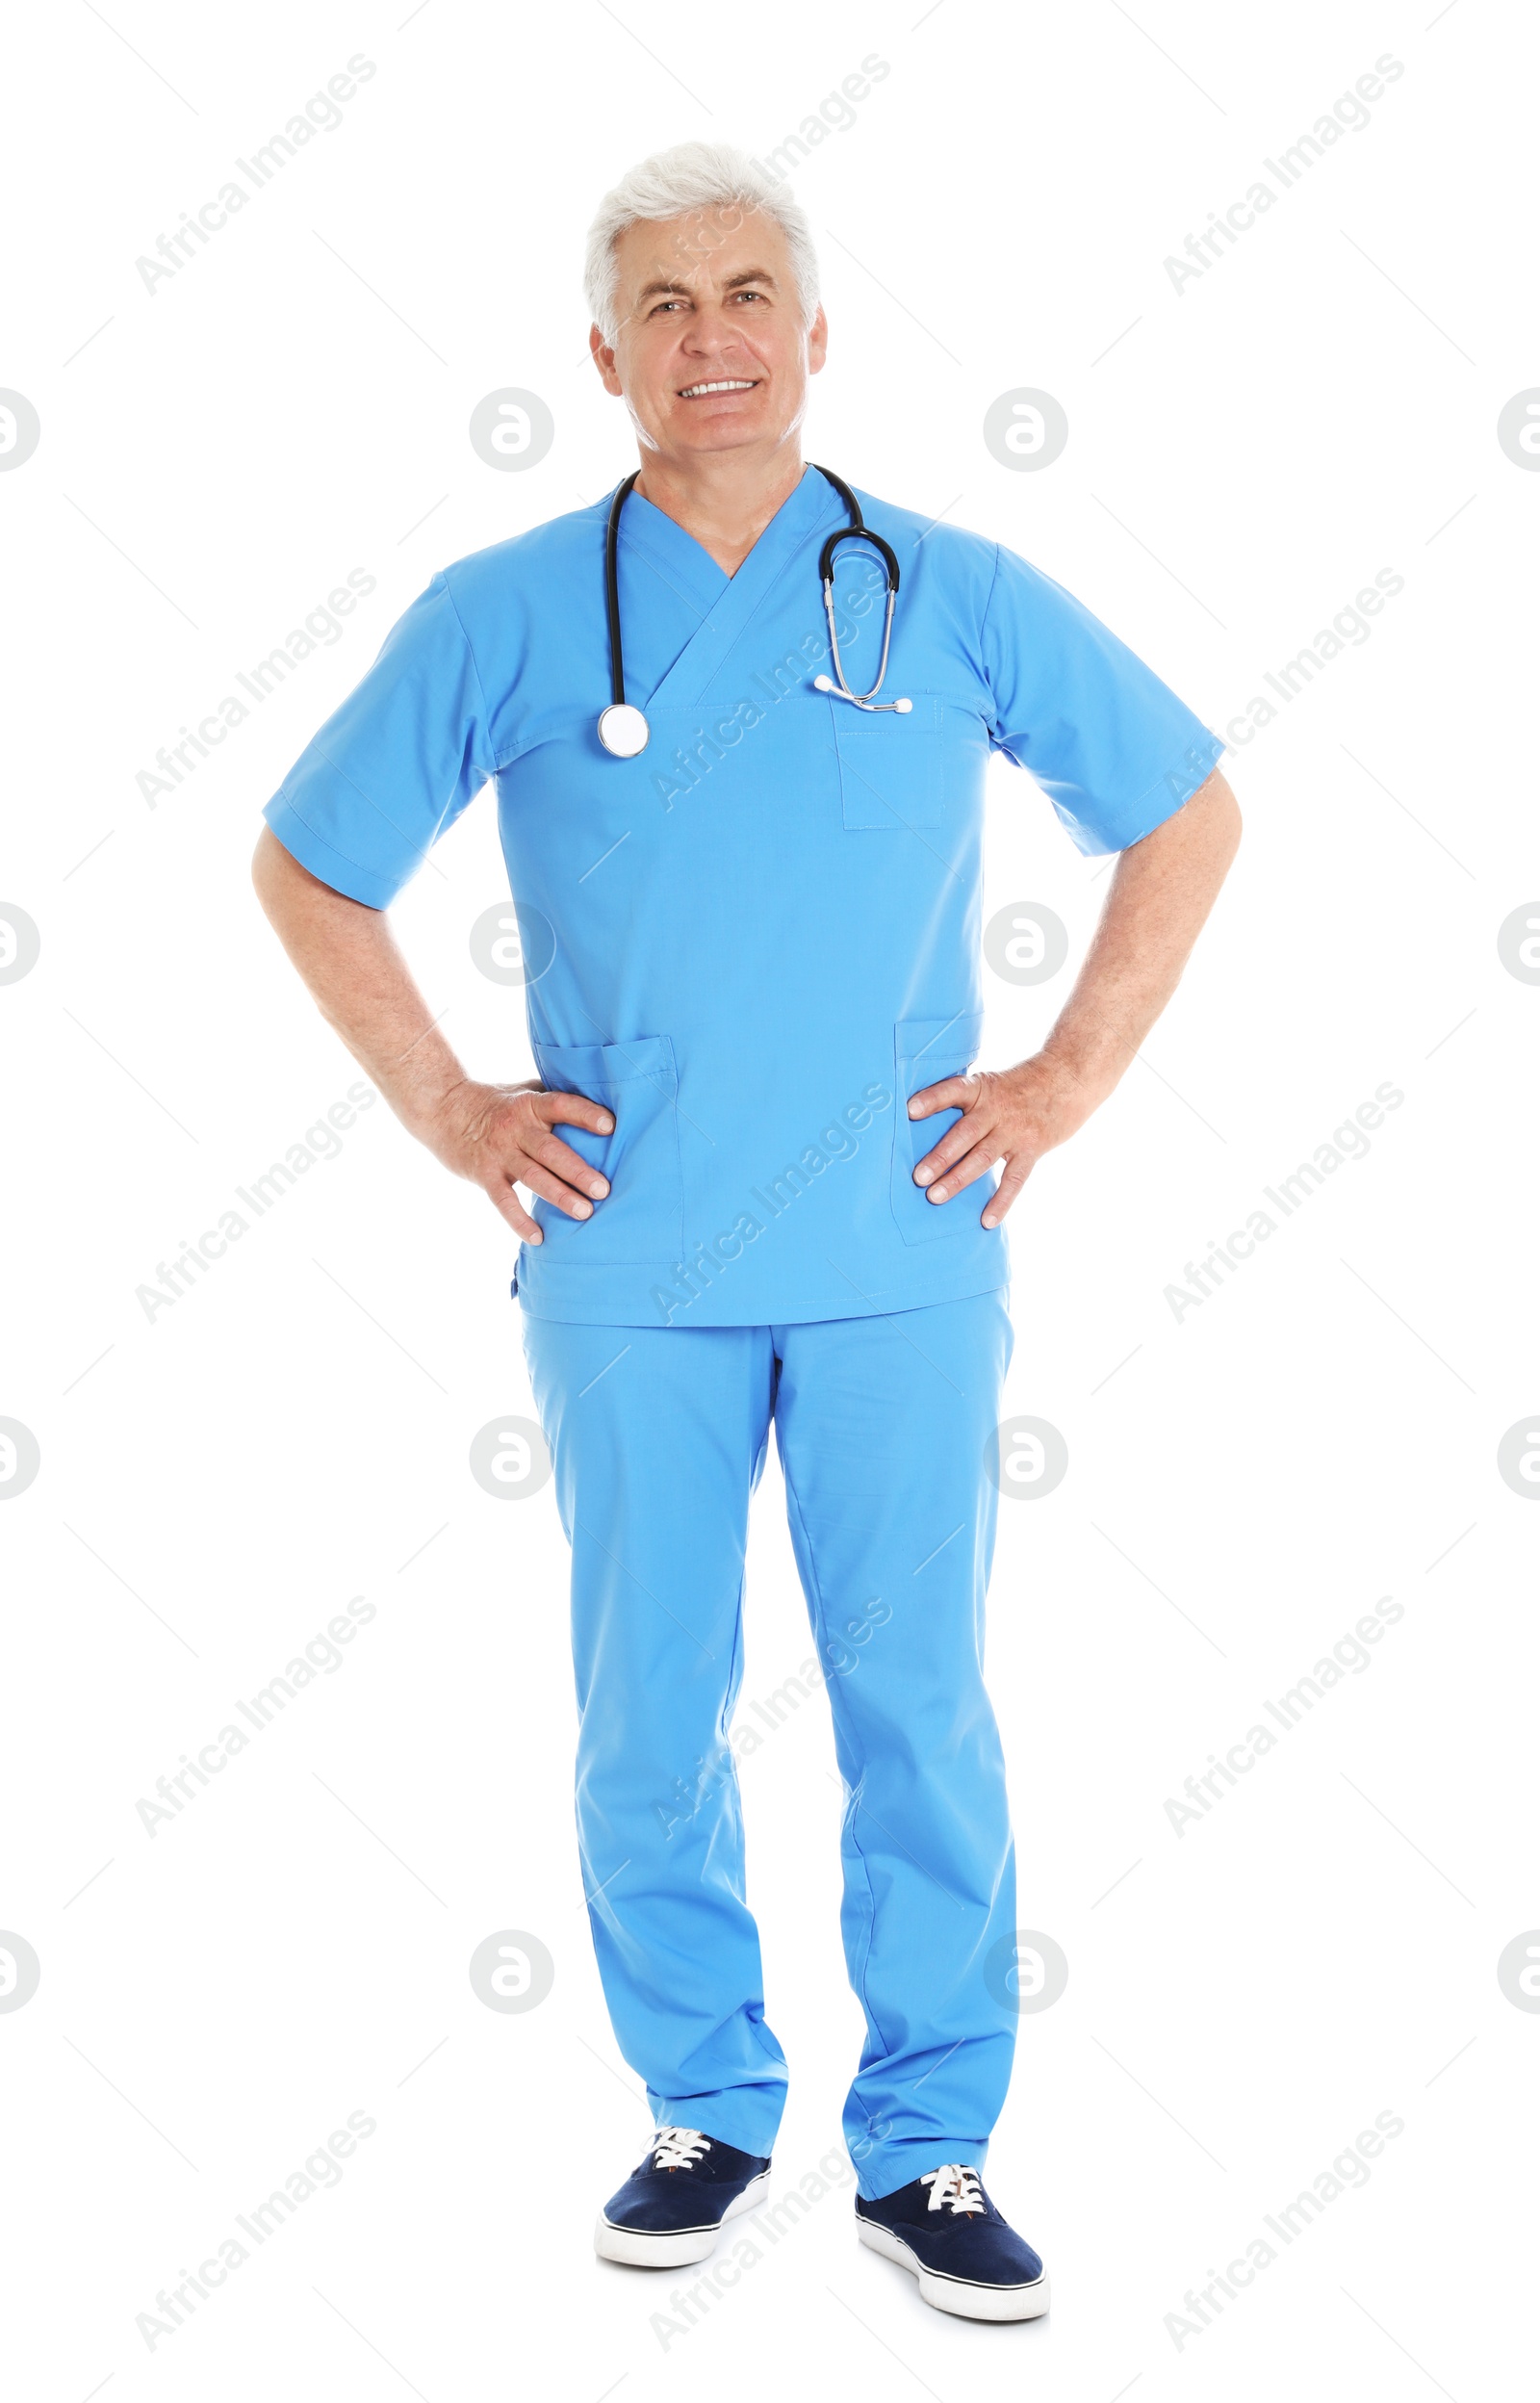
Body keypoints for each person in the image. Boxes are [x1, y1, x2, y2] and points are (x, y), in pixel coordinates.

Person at [252, 140, 1240, 2324]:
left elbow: (1183, 807)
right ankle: (703, 2106)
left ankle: (933, 2148)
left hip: (900, 1250)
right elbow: (308, 863)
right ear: (599, 354)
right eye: (664, 304)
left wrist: (1061, 1083)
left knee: (919, 1703)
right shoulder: (508, 609)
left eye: (747, 292)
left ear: (816, 332)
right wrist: (448, 1108)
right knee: (647, 1709)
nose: (711, 336)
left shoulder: (943, 590)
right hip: (633, 1263)